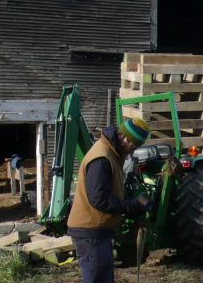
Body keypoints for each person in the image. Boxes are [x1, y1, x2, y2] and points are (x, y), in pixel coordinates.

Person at [67, 117, 152, 283]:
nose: (131, 151)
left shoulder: (112, 155)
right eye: (132, 146)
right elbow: (99, 199)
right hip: (91, 231)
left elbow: (111, 191)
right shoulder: (102, 158)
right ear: (122, 137)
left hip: (97, 231)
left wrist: (134, 204)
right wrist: (131, 206)